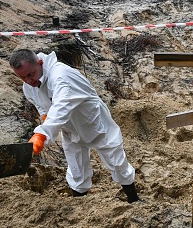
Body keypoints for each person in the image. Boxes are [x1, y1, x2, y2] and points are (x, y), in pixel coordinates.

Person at [9, 49, 140, 202]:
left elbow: (61, 106)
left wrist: (42, 134)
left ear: (40, 63)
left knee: (117, 162)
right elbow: (41, 105)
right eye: (22, 77)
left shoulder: (61, 76)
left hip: (93, 122)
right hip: (70, 130)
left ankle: (133, 199)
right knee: (77, 169)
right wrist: (45, 116)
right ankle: (79, 206)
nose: (28, 81)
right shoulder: (29, 86)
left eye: (30, 74)